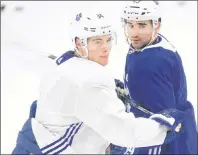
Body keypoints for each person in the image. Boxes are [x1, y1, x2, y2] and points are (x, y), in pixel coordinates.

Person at [12, 12, 182, 154]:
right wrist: (163, 128)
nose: (106, 48)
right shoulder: (89, 80)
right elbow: (123, 131)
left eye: (108, 40)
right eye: (97, 41)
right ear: (79, 43)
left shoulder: (66, 65)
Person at [109, 1, 197, 154]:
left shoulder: (151, 63)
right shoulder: (153, 44)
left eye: (141, 25)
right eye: (130, 25)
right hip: (182, 136)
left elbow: (163, 128)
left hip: (159, 144)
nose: (133, 33)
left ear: (156, 25)